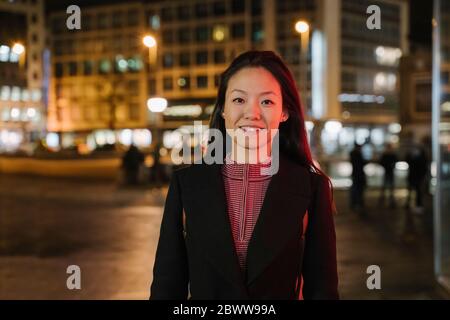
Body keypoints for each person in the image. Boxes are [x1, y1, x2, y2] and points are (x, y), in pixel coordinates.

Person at [150, 51, 339, 300]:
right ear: (223, 110)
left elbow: (322, 289)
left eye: (267, 102)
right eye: (239, 100)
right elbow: (167, 285)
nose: (252, 113)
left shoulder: (312, 188)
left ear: (285, 112)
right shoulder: (187, 185)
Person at [404, 143, 429, 212]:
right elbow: (407, 161)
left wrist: (423, 176)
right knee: (411, 191)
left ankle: (418, 205)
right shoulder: (413, 156)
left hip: (418, 177)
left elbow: (424, 167)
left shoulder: (421, 157)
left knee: (418, 192)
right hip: (413, 176)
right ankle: (409, 204)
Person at [378, 143, 398, 208]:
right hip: (388, 172)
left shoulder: (387, 154)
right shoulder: (389, 154)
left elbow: (381, 162)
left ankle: (386, 200)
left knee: (388, 186)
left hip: (388, 172)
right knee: (387, 186)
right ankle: (387, 200)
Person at [349, 143, 367, 214]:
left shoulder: (353, 154)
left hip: (356, 174)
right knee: (357, 190)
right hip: (358, 174)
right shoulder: (357, 154)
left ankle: (355, 203)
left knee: (356, 189)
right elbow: (361, 163)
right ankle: (357, 203)